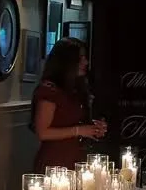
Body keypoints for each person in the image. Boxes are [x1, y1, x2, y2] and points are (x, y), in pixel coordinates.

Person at [31, 37, 106, 172]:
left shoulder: (74, 88)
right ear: (66, 61)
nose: (86, 62)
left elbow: (69, 120)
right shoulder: (50, 90)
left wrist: (92, 128)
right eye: (81, 58)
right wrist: (80, 130)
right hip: (55, 162)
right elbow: (42, 132)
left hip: (77, 159)